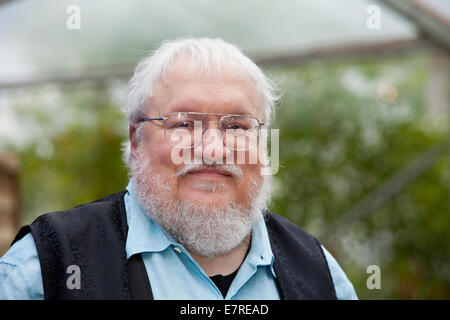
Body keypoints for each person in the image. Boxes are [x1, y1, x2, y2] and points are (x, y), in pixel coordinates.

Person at [0, 37, 357, 300]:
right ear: (137, 140)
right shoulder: (45, 269)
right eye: (184, 124)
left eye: (236, 126)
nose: (213, 150)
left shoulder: (320, 275)